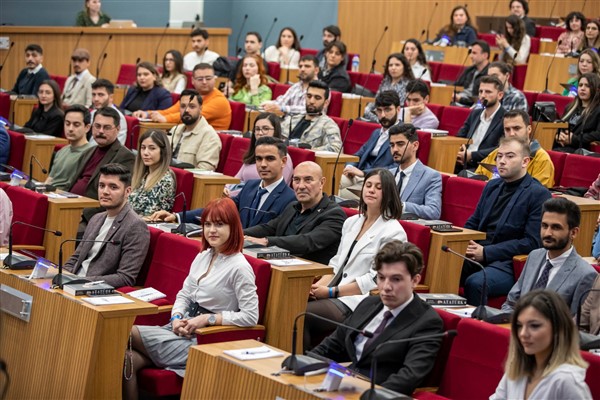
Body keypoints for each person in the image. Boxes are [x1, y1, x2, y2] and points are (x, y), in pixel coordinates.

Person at [123, 197, 258, 400]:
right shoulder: (203, 256)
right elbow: (184, 294)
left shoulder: (240, 267)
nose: (212, 230)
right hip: (180, 329)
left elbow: (250, 317)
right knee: (127, 359)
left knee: (124, 331)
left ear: (233, 227)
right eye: (208, 224)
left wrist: (208, 319)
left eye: (219, 224)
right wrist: (176, 317)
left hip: (204, 340)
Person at [311, 240, 444, 396]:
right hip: (344, 386)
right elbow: (332, 344)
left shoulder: (427, 322)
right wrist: (304, 363)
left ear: (415, 280)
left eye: (396, 279)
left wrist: (373, 395)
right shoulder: (368, 304)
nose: (386, 287)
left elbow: (409, 376)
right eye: (381, 278)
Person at [304, 169, 406, 350]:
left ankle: (302, 365)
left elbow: (375, 279)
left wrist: (330, 292)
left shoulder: (394, 232)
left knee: (300, 314)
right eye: (368, 185)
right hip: (334, 290)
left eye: (378, 187)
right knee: (289, 303)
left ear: (389, 193)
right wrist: (320, 287)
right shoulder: (352, 222)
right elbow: (336, 262)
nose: (371, 190)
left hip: (358, 300)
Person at [461, 136, 552, 305]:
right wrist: (464, 243)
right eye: (499, 156)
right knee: (443, 267)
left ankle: (476, 328)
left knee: (475, 283)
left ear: (525, 161)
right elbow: (473, 222)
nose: (502, 161)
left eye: (509, 156)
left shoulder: (538, 194)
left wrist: (487, 253)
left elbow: (532, 242)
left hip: (508, 262)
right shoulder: (491, 186)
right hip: (479, 252)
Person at [149, 136, 296, 228]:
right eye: (258, 159)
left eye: (270, 159)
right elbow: (219, 211)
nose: (263, 164)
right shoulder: (250, 186)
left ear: (283, 162)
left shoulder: (290, 198)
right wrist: (177, 216)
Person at [501, 197, 597, 314]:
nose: (547, 233)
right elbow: (511, 303)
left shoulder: (585, 274)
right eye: (544, 226)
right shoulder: (534, 256)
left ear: (573, 232)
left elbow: (576, 324)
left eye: (556, 227)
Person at [491, 290, 592, 400]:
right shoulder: (517, 370)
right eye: (519, 326)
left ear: (558, 329)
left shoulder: (567, 381)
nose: (523, 333)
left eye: (534, 326)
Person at [64, 163, 150, 288]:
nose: (105, 192)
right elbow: (76, 258)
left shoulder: (136, 226)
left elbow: (126, 277)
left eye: (113, 187)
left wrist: (82, 282)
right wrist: (62, 275)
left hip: (93, 289)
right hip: (73, 283)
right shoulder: (96, 218)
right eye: (101, 186)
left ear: (127, 192)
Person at [244, 161, 346, 265]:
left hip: (309, 274)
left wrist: (266, 241)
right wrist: (238, 234)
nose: (301, 186)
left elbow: (308, 242)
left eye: (308, 180)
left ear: (322, 183)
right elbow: (269, 227)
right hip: (279, 264)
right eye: (296, 180)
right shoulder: (292, 206)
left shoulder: (334, 214)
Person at [67, 107, 134, 210]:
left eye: (107, 127)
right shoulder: (87, 152)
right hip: (69, 204)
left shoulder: (125, 156)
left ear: (117, 129)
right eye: (97, 126)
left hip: (91, 215)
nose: (101, 131)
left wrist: (84, 214)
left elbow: (115, 198)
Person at [340, 91, 400, 200]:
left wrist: (363, 173)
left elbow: (397, 168)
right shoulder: (376, 132)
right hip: (357, 175)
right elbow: (358, 155)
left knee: (338, 193)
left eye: (388, 110)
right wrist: (350, 167)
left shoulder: (403, 134)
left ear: (398, 109)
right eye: (379, 110)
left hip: (378, 182)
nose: (383, 115)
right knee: (329, 183)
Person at [134, 63, 231, 130]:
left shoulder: (220, 101)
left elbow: (192, 115)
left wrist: (166, 119)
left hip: (209, 142)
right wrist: (148, 114)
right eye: (200, 79)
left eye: (208, 78)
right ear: (192, 81)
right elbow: (171, 111)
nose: (204, 82)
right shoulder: (192, 96)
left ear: (214, 79)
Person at [474, 110, 555, 188]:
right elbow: (476, 180)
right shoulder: (496, 153)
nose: (512, 134)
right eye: (507, 129)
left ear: (529, 129)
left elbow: (537, 194)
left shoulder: (542, 160)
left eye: (517, 128)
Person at [227, 113, 293, 196]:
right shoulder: (253, 154)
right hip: (239, 196)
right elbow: (236, 179)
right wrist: (225, 189)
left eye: (265, 129)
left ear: (275, 131)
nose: (260, 133)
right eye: (257, 129)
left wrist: (233, 194)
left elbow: (274, 189)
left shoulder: (283, 157)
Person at [389, 123, 443, 220]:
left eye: (400, 144)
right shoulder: (388, 174)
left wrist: (402, 206)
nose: (395, 149)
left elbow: (433, 212)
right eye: (392, 145)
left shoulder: (431, 176)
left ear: (415, 146)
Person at [456, 75, 506, 172]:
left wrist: (471, 155)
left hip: (484, 167)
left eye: (488, 92)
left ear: (500, 95)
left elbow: (501, 148)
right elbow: (460, 136)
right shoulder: (475, 113)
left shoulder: (505, 118)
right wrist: (460, 150)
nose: (483, 95)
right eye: (480, 91)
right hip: (462, 162)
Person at [280, 80, 343, 152]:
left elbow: (336, 149)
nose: (311, 101)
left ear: (326, 103)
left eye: (317, 98)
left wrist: (309, 150)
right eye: (309, 96)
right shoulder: (292, 118)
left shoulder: (328, 125)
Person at [168, 89, 221, 170]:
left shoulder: (209, 136)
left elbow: (204, 171)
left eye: (192, 106)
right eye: (183, 106)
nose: (186, 110)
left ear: (200, 109)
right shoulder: (175, 130)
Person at [128, 130, 176, 217]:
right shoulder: (143, 175)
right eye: (143, 148)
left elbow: (150, 217)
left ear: (163, 151)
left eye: (152, 148)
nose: (145, 153)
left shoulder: (165, 181)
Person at [46, 105, 94, 189]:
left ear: (87, 128)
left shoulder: (91, 153)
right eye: (67, 124)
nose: (70, 129)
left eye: (76, 125)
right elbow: (50, 179)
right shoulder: (61, 151)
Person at [554, 72, 600, 152]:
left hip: (580, 149)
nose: (582, 88)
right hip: (561, 145)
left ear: (596, 90)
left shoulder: (597, 110)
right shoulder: (570, 107)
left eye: (587, 86)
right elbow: (561, 125)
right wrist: (558, 135)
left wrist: (573, 139)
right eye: (580, 85)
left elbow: (597, 135)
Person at [363, 53, 414, 122]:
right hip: (379, 115)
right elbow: (376, 101)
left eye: (397, 65)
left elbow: (399, 107)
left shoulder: (408, 84)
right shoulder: (386, 80)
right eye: (390, 65)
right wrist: (367, 110)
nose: (393, 68)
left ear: (404, 67)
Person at [90, 78, 127, 145]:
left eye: (100, 95)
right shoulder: (92, 113)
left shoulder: (118, 117)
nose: (96, 99)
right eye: (93, 95)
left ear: (111, 97)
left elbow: (117, 148)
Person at [454, 40, 491, 107]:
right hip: (459, 100)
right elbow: (456, 85)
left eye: (474, 53)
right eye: (471, 53)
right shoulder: (470, 70)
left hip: (472, 105)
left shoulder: (490, 72)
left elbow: (481, 99)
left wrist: (461, 99)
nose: (471, 56)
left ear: (485, 55)